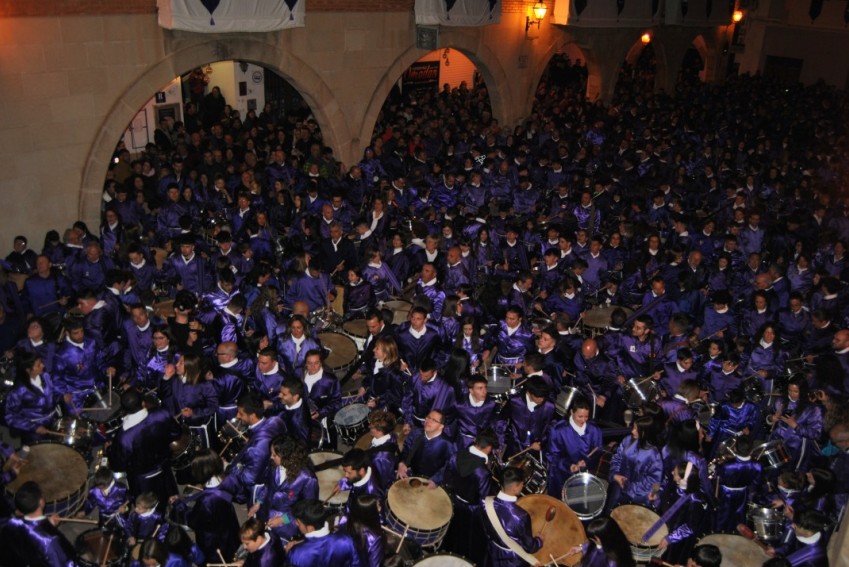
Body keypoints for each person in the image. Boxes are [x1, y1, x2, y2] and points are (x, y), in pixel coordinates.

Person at [430, 430, 498, 565]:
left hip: (452, 502)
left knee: (452, 534)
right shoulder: (482, 473)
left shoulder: (456, 456)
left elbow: (445, 472)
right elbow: (484, 499)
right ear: (489, 448)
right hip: (471, 511)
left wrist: (435, 480)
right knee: (469, 541)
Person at [108, 388, 182, 506]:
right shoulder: (161, 413)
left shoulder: (123, 437)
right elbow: (177, 433)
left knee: (148, 506)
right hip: (164, 465)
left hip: (141, 478)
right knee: (169, 496)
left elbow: (118, 465)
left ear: (123, 410)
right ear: (143, 403)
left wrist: (109, 451)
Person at [170, 448, 240, 565]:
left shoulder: (206, 501)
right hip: (229, 527)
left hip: (214, 540)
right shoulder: (228, 480)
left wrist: (178, 505)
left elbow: (193, 521)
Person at [220, 392, 287, 505]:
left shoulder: (257, 449)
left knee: (256, 516)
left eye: (241, 413)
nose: (237, 416)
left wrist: (228, 466)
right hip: (272, 474)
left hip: (261, 488)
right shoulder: (275, 420)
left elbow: (248, 478)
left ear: (252, 416)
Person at [252, 436, 318, 543]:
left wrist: (283, 519)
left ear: (287, 457)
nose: (271, 457)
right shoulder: (274, 465)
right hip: (267, 512)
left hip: (289, 523)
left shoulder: (307, 478)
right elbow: (268, 486)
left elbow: (308, 508)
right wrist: (259, 502)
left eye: (274, 455)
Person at [0, 481, 76, 567]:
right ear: (41, 501)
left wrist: (48, 525)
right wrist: (50, 529)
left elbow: (30, 532)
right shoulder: (50, 541)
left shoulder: (10, 524)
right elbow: (65, 563)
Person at [481, 466, 543, 566]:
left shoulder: (485, 502)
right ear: (515, 488)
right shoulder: (520, 516)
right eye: (522, 484)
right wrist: (539, 541)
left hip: (492, 553)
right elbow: (530, 547)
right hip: (512, 561)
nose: (522, 486)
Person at [546, 396, 603, 498]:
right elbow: (553, 455)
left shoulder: (594, 429)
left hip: (584, 474)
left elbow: (598, 451)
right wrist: (569, 465)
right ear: (571, 412)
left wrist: (587, 461)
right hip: (561, 474)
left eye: (586, 417)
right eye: (580, 416)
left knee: (579, 504)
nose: (583, 420)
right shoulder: (559, 430)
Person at [4, 353, 67, 443]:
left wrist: (61, 397)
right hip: (33, 429)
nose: (43, 365)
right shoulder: (19, 390)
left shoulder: (46, 376)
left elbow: (51, 396)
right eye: (38, 365)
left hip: (53, 422)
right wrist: (34, 427)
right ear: (28, 370)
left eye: (41, 362)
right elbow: (10, 416)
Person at [606, 416, 663, 511]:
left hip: (637, 495)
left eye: (637, 429)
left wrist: (630, 486)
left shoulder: (654, 454)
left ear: (645, 432)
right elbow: (617, 458)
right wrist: (615, 475)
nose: (633, 431)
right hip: (618, 486)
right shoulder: (627, 440)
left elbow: (654, 480)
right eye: (634, 428)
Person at [286, 499, 362, 566]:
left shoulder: (296, 553)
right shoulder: (346, 540)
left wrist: (287, 553)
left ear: (310, 528)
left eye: (298, 523)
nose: (296, 523)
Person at [397, 409, 455, 479]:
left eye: (434, 420)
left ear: (441, 426)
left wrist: (436, 480)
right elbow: (406, 449)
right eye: (428, 417)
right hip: (413, 473)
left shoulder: (448, 444)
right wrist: (402, 463)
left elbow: (449, 465)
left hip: (432, 479)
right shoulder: (415, 433)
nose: (428, 421)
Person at [568, 516, 636, 567]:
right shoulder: (605, 543)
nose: (591, 540)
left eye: (594, 538)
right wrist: (580, 548)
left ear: (605, 537)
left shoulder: (612, 562)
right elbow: (594, 546)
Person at [344, 493, 385, 567]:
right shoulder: (375, 538)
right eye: (378, 506)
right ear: (370, 512)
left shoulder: (346, 522)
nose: (380, 508)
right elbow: (375, 564)